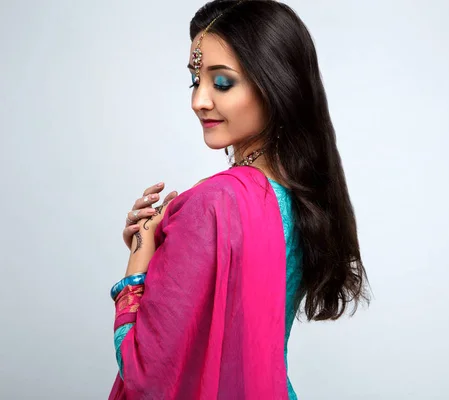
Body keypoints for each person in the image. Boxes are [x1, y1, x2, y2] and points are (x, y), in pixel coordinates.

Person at [108, 1, 369, 398]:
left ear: (275, 84)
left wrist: (141, 254)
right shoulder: (301, 198)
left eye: (222, 83)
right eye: (195, 81)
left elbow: (143, 371)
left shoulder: (213, 205)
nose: (199, 100)